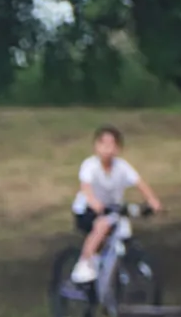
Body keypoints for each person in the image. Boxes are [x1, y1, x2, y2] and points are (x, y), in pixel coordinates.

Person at [67, 124, 162, 291]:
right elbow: (86, 187)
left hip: (112, 211)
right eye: (103, 144)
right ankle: (84, 264)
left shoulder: (122, 167)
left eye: (112, 145)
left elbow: (139, 183)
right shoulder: (90, 165)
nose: (107, 149)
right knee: (102, 226)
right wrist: (95, 203)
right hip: (87, 210)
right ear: (96, 146)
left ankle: (116, 274)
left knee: (124, 232)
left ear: (118, 148)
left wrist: (153, 201)